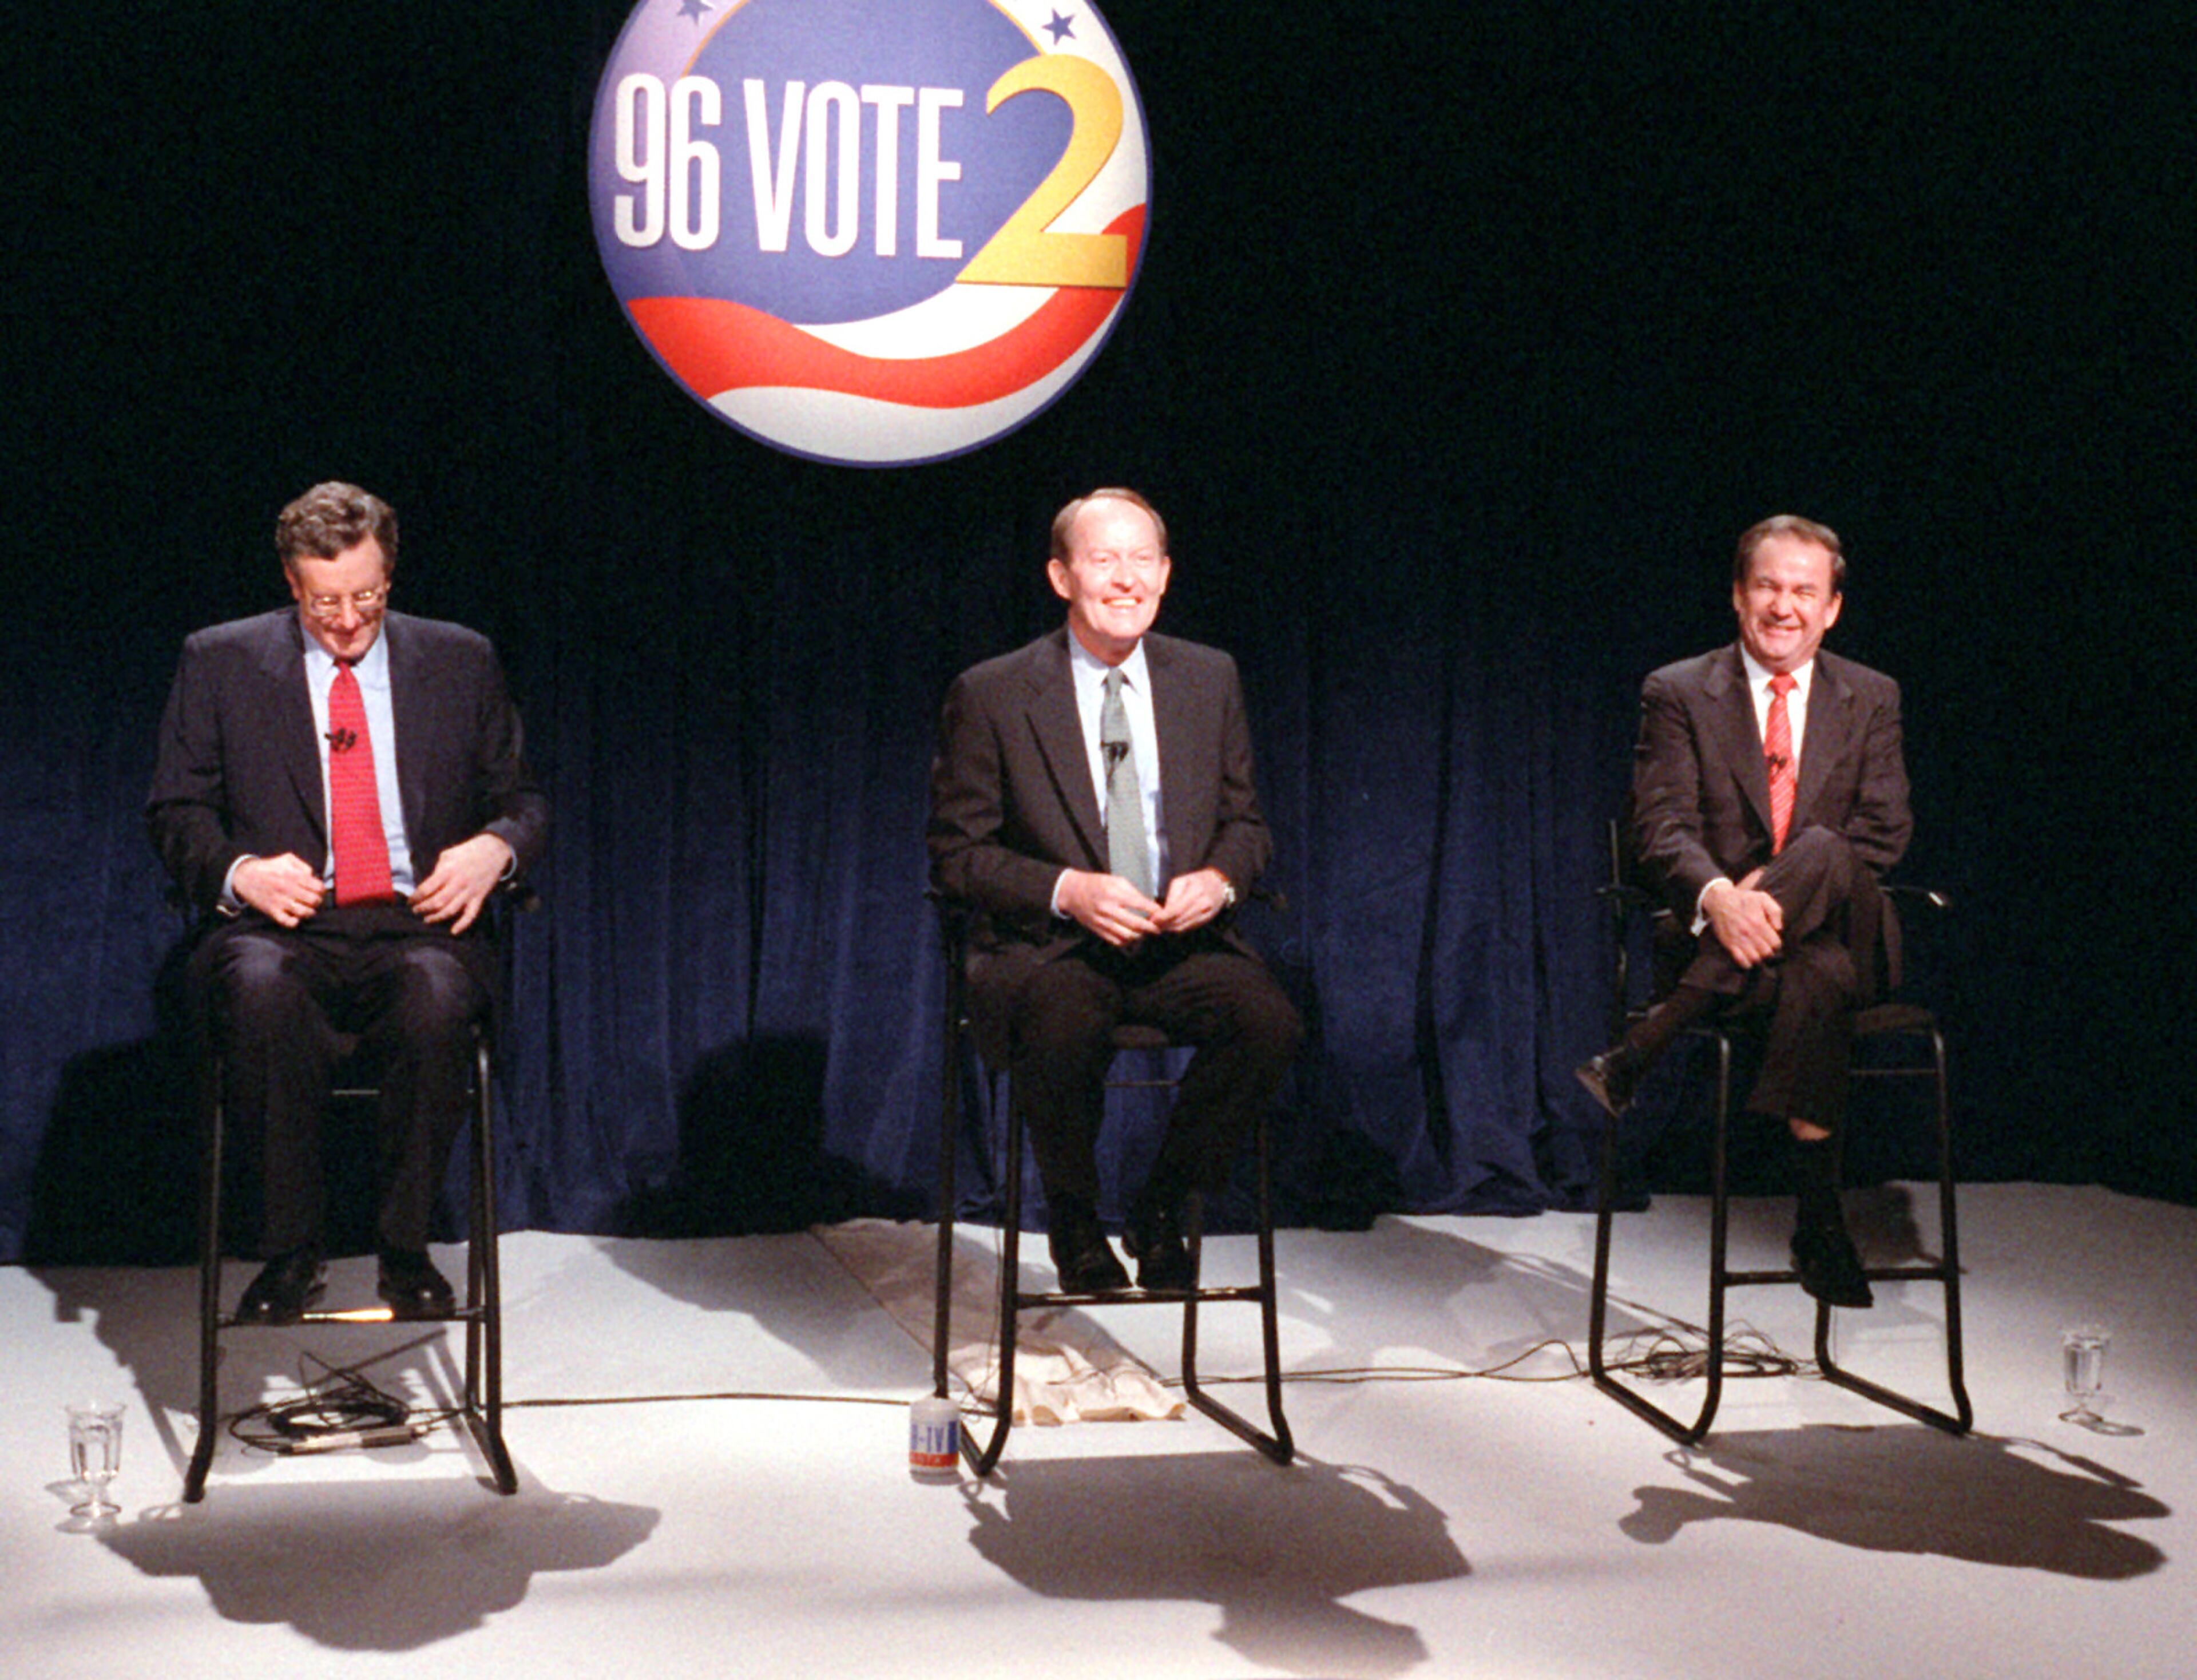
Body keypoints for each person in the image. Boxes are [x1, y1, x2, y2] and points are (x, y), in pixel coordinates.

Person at [148, 482, 548, 1322]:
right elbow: (175, 813)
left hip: (418, 924)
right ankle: (293, 1252)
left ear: (390, 578)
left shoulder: (460, 658)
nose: (346, 620)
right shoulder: (219, 660)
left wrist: (495, 849)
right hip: (281, 926)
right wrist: (239, 870)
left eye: (365, 597)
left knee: (440, 996)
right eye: (325, 600)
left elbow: (524, 800)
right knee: (257, 987)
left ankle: (404, 1252)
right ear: (293, 584)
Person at [929, 489, 1302, 1292]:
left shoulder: (1208, 678)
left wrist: (1221, 878)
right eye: (1104, 561)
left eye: (1142, 560)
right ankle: (1073, 1217)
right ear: (1062, 577)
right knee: (1065, 1019)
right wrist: (1068, 889)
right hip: (1051, 947)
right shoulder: (993, 693)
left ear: (1165, 575)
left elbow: (1248, 824)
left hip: (1177, 941)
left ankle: (1163, 1205)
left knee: (1267, 1022)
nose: (1125, 579)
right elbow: (958, 858)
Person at [1576, 514, 1909, 1307]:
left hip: (1846, 926)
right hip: (1738, 949)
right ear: (1737, 595)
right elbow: (1661, 828)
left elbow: (1884, 833)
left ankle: (1644, 1043)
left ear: (1831, 608)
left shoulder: (1872, 696)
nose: (1783, 606)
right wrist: (1719, 898)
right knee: (1814, 977)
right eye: (1767, 585)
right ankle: (1819, 1223)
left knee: (1827, 849)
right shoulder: (1680, 691)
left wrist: (1767, 886)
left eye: (1804, 591)